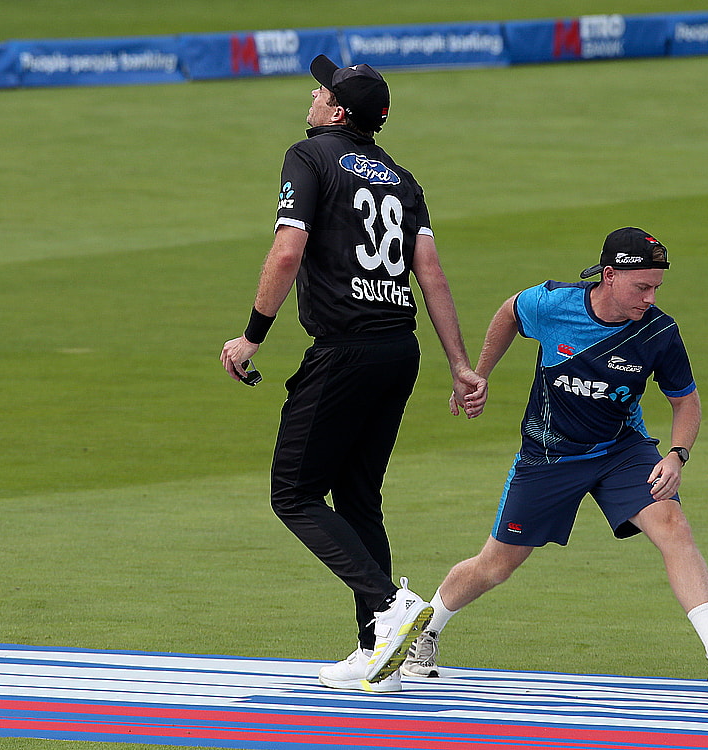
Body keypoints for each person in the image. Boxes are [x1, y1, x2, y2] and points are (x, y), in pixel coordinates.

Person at [220, 54, 486, 694]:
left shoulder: (308, 158)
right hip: (402, 350)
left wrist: (252, 336)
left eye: (323, 91)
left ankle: (387, 605)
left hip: (343, 351)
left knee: (294, 494)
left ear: (337, 112)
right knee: (360, 497)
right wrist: (458, 364)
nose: (313, 95)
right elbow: (432, 273)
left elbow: (288, 251)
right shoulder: (402, 176)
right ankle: (377, 651)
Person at [401, 227, 708, 691]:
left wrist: (676, 455)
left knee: (673, 525)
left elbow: (685, 402)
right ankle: (423, 631)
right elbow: (511, 310)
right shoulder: (555, 305)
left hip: (621, 451)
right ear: (609, 276)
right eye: (642, 287)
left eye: (656, 288)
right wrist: (479, 375)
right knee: (496, 565)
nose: (650, 298)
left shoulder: (658, 332)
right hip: (549, 455)